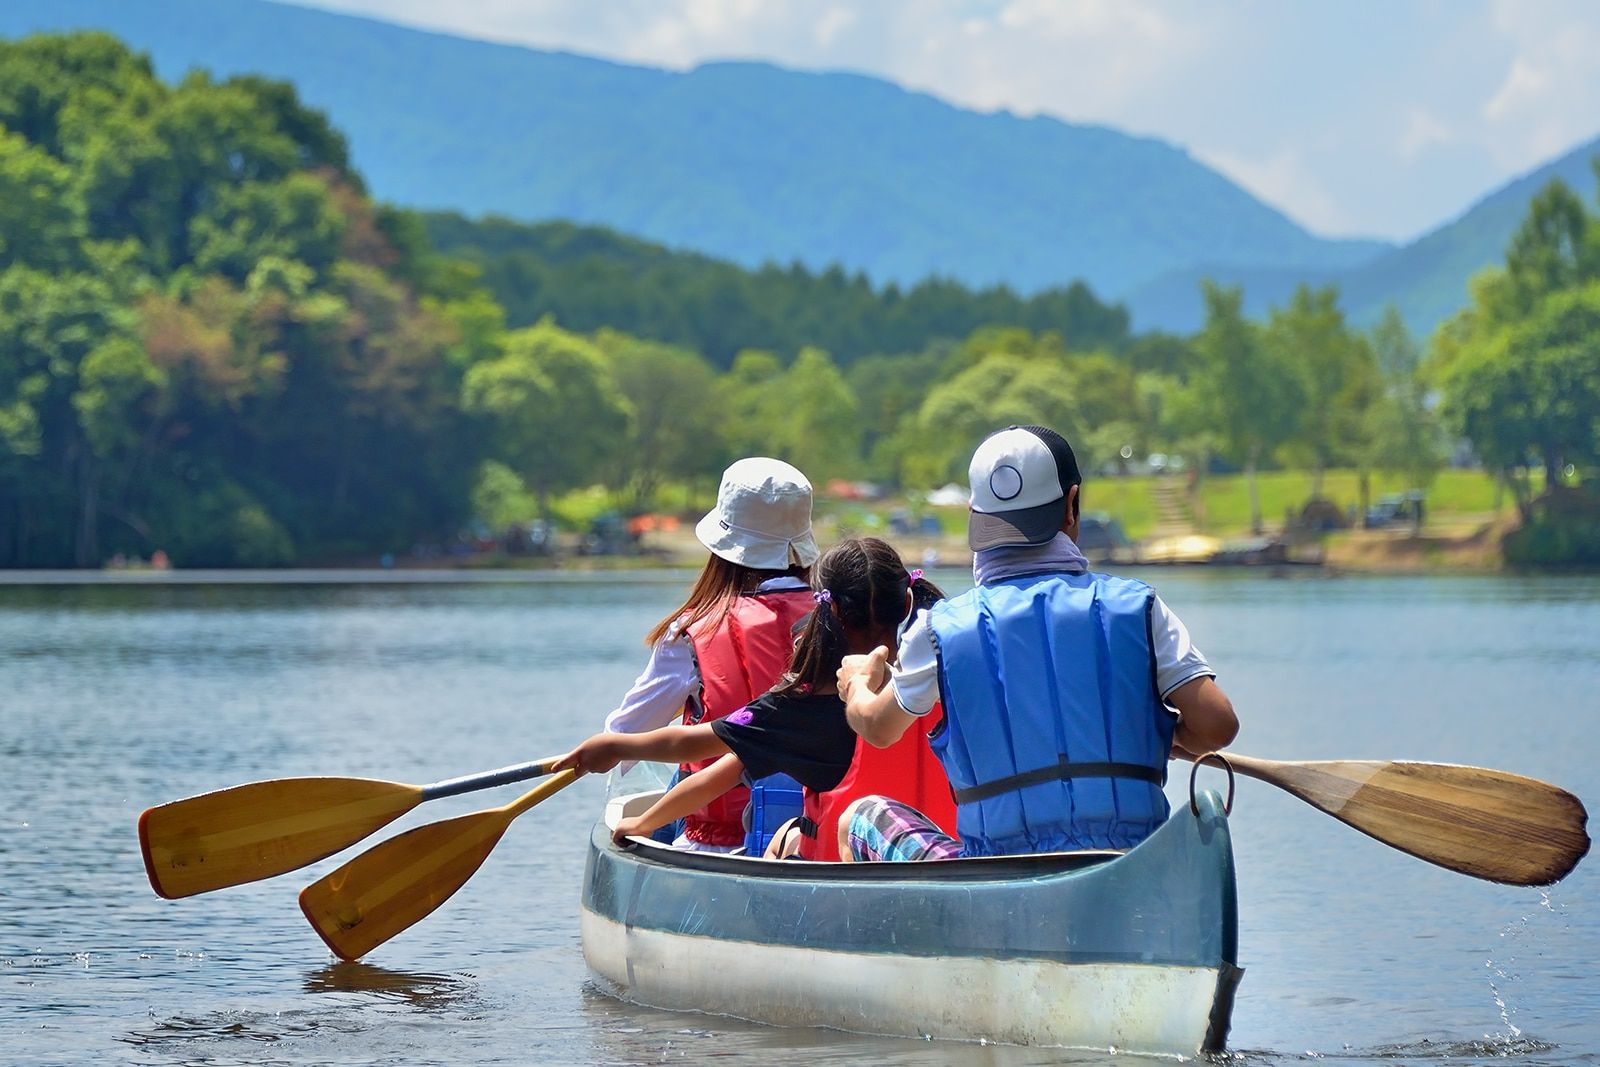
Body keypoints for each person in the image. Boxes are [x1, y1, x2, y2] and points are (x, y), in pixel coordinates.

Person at [836, 425, 1238, 862]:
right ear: (1071, 505)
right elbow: (1217, 727)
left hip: (997, 872)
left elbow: (877, 727)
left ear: (974, 514)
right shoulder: (1138, 606)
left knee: (861, 815)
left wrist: (857, 684)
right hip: (1129, 860)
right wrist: (1162, 737)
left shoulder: (938, 630)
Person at [555, 538, 951, 861]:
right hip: (942, 853)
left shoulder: (798, 708)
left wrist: (615, 748)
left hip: (846, 865)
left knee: (786, 837)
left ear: (827, 610)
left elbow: (699, 745)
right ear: (907, 600)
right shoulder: (949, 673)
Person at [601, 457, 818, 852]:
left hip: (721, 841)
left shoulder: (693, 631)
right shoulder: (841, 615)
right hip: (818, 834)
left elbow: (626, 734)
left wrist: (600, 748)